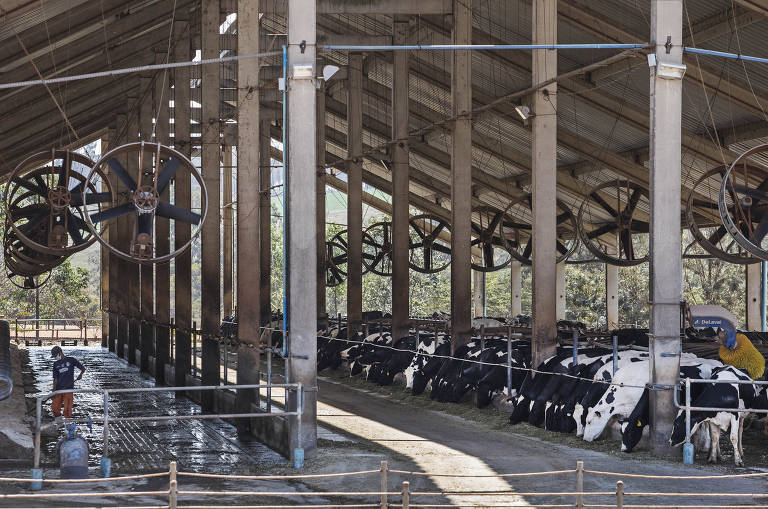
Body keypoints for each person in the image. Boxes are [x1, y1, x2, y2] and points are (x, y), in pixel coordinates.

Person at [51, 346, 86, 419]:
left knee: (67, 410)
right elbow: (55, 379)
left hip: (69, 389)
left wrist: (80, 375)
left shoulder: (71, 360)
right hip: (58, 389)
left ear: (60, 353)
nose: (55, 358)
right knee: (54, 408)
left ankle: (68, 426)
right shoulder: (55, 364)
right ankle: (59, 422)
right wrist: (53, 390)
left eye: (55, 356)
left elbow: (83, 368)